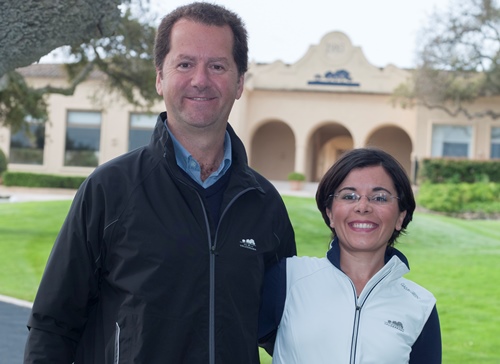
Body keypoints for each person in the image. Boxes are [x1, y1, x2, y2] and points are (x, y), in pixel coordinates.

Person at [24, 3, 296, 363]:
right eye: (185, 64)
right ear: (159, 78)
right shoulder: (109, 190)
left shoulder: (264, 203)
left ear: (240, 82)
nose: (201, 79)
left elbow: (290, 329)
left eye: (217, 66)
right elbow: (53, 325)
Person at [259, 148, 441, 363]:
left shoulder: (420, 305)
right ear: (330, 213)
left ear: (401, 216)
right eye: (349, 196)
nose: (363, 206)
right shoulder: (287, 278)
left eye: (380, 198)